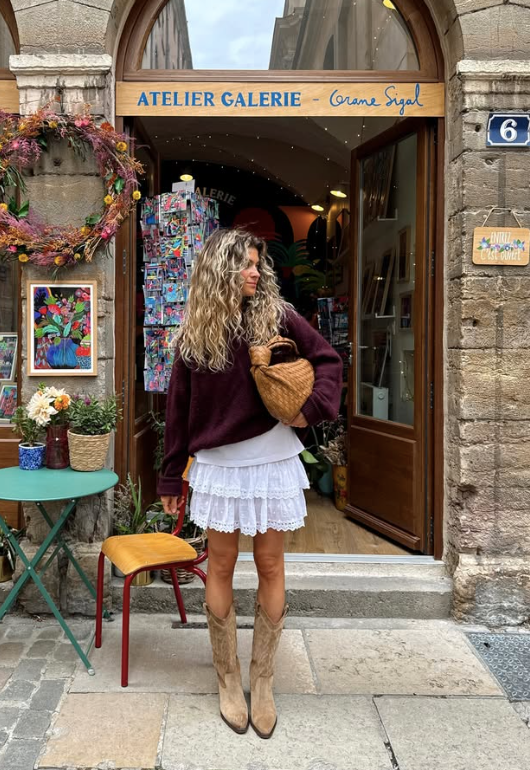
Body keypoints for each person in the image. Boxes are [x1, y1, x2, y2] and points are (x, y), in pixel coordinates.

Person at [159, 228, 342, 738]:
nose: (256, 272)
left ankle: (261, 681)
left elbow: (328, 360)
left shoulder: (279, 317)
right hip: (219, 465)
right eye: (245, 264)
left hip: (273, 458)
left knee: (270, 563)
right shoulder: (195, 333)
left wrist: (312, 410)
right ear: (221, 269)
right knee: (219, 563)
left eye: (259, 264)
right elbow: (176, 410)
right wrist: (172, 472)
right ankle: (227, 675)